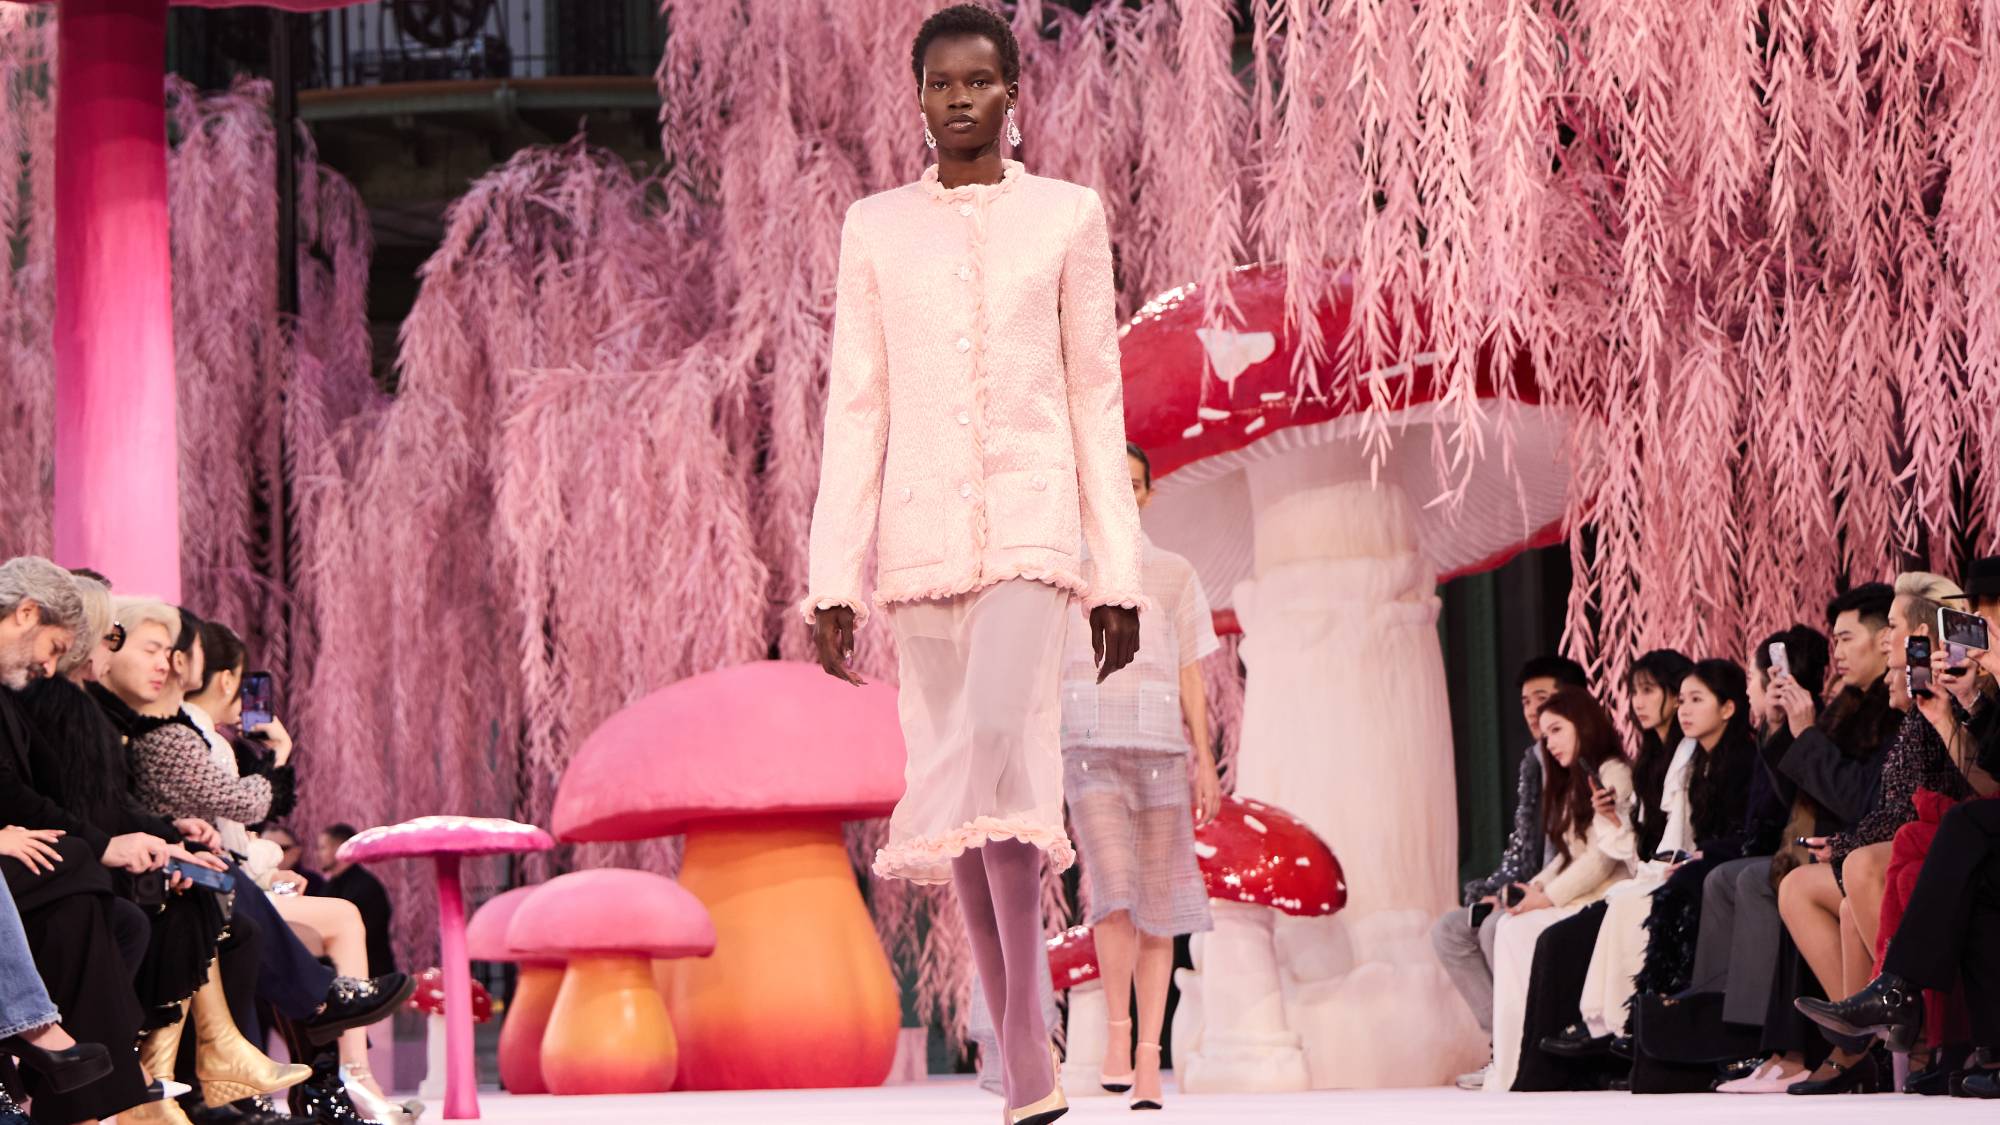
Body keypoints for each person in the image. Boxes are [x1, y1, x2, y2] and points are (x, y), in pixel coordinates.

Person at [800, 8, 1145, 1122]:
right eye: (939, 83)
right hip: (917, 545)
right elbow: (855, 406)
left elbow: (1097, 400)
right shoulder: (875, 228)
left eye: (979, 81)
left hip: (1035, 530)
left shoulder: (1065, 218)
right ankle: (1020, 1060)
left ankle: (1028, 1060)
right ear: (916, 98)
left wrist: (1118, 574)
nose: (959, 100)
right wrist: (831, 576)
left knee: (992, 748)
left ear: (1011, 95)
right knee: (973, 799)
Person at [183, 622, 409, 1122]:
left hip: (221, 879)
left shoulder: (207, 739)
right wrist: (280, 756)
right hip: (206, 884)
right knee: (341, 920)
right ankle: (348, 1076)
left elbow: (238, 828)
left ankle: (335, 1073)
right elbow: (239, 826)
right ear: (225, 680)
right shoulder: (201, 739)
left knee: (333, 924)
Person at [1777, 572, 1984, 1095]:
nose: (1888, 637)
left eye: (1891, 626)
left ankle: (1904, 1034)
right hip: (1920, 832)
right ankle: (1863, 1039)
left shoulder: (1943, 695)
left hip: (1947, 833)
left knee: (1848, 874)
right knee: (1813, 883)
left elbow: (1924, 797)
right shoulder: (1909, 705)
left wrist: (1846, 843)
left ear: (1919, 632)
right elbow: (1891, 805)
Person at [1059, 442, 1219, 1110]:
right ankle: (1118, 1034)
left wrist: (1205, 756)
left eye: (1131, 483)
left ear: (1149, 493)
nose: (1121, 493)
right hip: (1089, 745)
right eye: (1109, 482)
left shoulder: (1174, 574)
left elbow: (1189, 669)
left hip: (1159, 748)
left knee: (1159, 902)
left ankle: (1150, 1058)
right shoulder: (1067, 574)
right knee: (1113, 888)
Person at [1562, 660, 1757, 1053]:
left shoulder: (1741, 759)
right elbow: (1664, 837)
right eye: (1682, 700)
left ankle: (1634, 1025)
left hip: (1723, 865)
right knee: (1622, 901)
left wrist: (1696, 857)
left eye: (1696, 700)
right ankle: (1615, 1024)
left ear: (1729, 708)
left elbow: (1746, 833)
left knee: (1633, 901)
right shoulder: (1689, 761)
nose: (1684, 709)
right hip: (1690, 863)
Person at [1434, 653, 1587, 1089]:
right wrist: (1496, 890)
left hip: (1570, 891)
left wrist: (1529, 894)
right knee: (1450, 930)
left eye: (1544, 699)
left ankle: (1525, 1046)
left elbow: (1588, 853)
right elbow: (1523, 846)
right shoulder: (1534, 761)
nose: (1533, 711)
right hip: (1535, 887)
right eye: (1525, 702)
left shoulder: (1590, 760)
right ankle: (1504, 1044)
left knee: (1496, 928)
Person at [1482, 689, 1637, 1091]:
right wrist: (1535, 886)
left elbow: (1605, 856)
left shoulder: (1613, 773)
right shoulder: (1572, 782)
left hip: (1606, 897)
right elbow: (1569, 853)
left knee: (1517, 931)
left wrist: (1548, 898)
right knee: (1508, 928)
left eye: (1556, 730)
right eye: (1545, 734)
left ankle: (1527, 1055)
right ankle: (1514, 1055)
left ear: (1582, 725)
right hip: (1578, 893)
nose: (1548, 742)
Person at [317, 825, 398, 979]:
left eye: (322, 847)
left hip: (371, 975)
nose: (318, 854)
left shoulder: (367, 887)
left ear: (339, 848)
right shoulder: (330, 886)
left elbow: (365, 936)